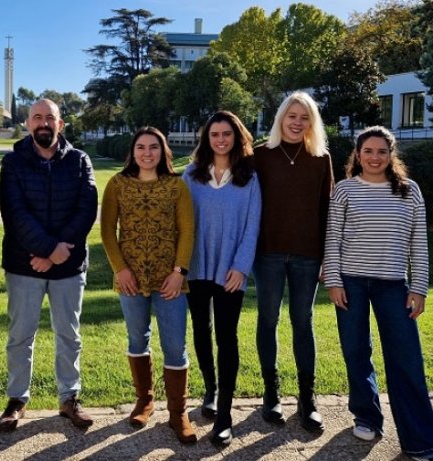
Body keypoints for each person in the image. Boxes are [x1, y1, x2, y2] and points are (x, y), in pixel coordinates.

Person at [323, 126, 433, 461]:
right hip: (350, 282)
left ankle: (422, 442)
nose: (375, 157)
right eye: (368, 151)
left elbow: (418, 244)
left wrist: (419, 287)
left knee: (406, 359)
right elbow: (332, 239)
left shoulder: (410, 191)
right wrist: (333, 281)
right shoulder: (345, 190)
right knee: (356, 351)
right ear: (357, 155)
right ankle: (367, 416)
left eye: (382, 151)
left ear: (391, 155)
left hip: (394, 285)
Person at [0, 98, 98, 432]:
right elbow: (15, 213)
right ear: (28, 124)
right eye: (37, 117)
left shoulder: (80, 161)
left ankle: (70, 398)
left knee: (69, 335)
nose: (43, 123)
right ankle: (16, 400)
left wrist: (58, 251)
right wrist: (45, 249)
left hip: (67, 265)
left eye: (50, 117)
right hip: (25, 264)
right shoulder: (12, 162)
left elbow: (86, 209)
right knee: (20, 336)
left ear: (61, 124)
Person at [101, 127, 197, 443]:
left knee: (174, 344)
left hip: (169, 279)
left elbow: (186, 231)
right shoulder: (117, 185)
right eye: (141, 147)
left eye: (153, 147)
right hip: (131, 279)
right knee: (136, 339)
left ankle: (177, 413)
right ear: (133, 151)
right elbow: (106, 232)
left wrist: (179, 271)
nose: (147, 153)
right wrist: (121, 270)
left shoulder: (176, 186)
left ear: (163, 151)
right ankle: (144, 400)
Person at [253, 91, 333, 432]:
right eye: (292, 116)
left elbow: (327, 212)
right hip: (267, 253)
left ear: (312, 123)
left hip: (307, 255)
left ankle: (307, 399)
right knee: (268, 319)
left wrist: (328, 258)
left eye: (305, 118)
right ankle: (271, 394)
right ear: (281, 118)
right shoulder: (260, 155)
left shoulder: (321, 158)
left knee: (303, 322)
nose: (297, 123)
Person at [182, 111, 261, 445]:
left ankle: (225, 417)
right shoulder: (192, 174)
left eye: (226, 134)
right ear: (206, 139)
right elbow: (183, 223)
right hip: (197, 267)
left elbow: (252, 225)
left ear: (237, 136)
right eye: (214, 135)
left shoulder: (249, 177)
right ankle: (210, 392)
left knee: (227, 337)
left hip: (231, 270)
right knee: (202, 330)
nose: (221, 140)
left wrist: (241, 267)